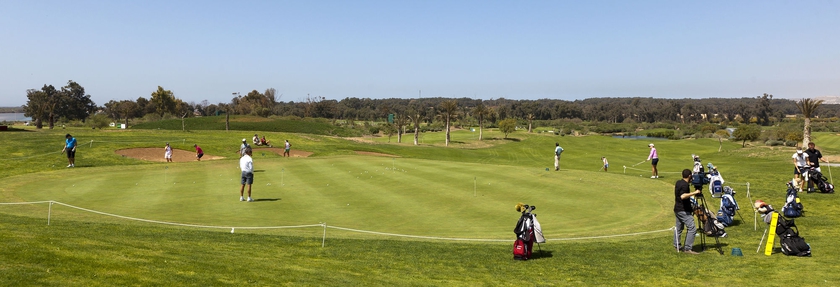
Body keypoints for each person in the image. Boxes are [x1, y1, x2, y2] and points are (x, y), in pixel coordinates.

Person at [674, 169, 702, 254]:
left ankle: (677, 246)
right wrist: (695, 192)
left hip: (677, 209)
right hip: (683, 210)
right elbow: (682, 196)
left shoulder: (678, 182)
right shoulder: (685, 185)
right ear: (689, 176)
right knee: (692, 228)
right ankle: (687, 248)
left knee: (679, 228)